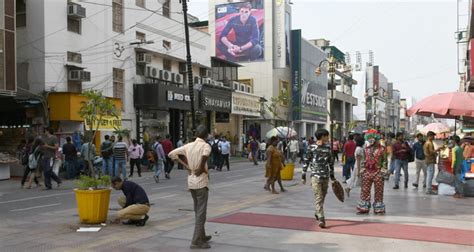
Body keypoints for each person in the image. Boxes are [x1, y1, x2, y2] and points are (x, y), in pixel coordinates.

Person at [168, 125, 213, 249]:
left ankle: (202, 236)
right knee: (201, 213)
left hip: (191, 181)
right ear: (206, 135)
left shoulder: (188, 146)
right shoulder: (205, 145)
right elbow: (205, 154)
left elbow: (171, 154)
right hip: (201, 182)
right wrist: (201, 166)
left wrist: (186, 165)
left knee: (198, 211)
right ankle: (196, 241)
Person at [301, 129, 335, 228]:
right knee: (318, 196)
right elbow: (306, 161)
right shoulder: (311, 148)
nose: (328, 138)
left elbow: (331, 163)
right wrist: (303, 175)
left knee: (323, 196)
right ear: (322, 136)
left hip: (325, 176)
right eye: (327, 136)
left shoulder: (328, 148)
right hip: (315, 176)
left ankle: (317, 211)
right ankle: (321, 218)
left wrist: (332, 177)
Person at [356, 129, 388, 214]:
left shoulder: (382, 149)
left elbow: (385, 161)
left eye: (374, 139)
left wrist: (384, 169)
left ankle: (378, 206)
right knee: (365, 190)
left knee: (379, 190)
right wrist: (362, 169)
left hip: (378, 172)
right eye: (370, 139)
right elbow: (363, 160)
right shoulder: (366, 149)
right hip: (367, 171)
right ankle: (364, 205)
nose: (372, 141)